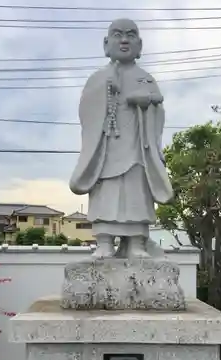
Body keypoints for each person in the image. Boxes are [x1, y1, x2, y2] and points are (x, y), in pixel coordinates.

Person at [69, 18, 173, 258]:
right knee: (105, 189)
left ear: (140, 44)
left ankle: (136, 242)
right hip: (105, 147)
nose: (124, 40)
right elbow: (86, 109)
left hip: (138, 148)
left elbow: (158, 106)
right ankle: (104, 241)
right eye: (118, 35)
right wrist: (106, 92)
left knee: (136, 189)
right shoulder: (98, 78)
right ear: (106, 44)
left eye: (130, 35)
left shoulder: (146, 78)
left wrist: (145, 102)